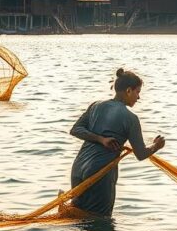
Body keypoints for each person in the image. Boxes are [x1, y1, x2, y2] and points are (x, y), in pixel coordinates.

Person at [69, 68, 165, 217]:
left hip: (78, 168)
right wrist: (156, 146)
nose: (138, 98)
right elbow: (140, 154)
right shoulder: (130, 118)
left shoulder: (95, 106)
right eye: (137, 92)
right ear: (128, 90)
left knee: (77, 217)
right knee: (99, 220)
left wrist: (100, 139)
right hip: (100, 172)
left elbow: (76, 129)